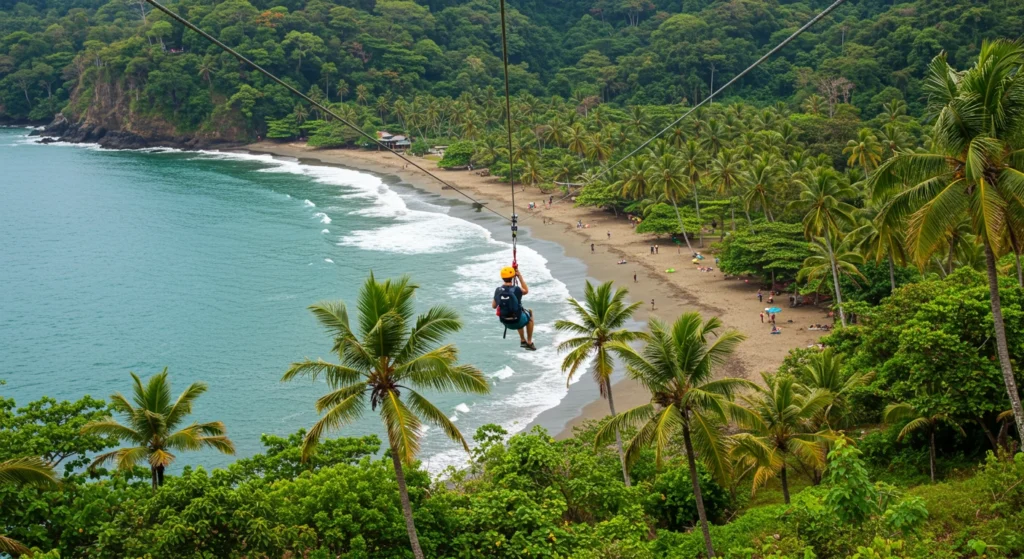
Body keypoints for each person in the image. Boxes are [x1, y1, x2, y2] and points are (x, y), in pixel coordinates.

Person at [493, 267, 536, 350]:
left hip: (505, 322)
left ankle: (523, 340)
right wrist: (519, 277)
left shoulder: (498, 290)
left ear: (502, 278)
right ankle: (529, 342)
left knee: (518, 312)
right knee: (529, 315)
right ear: (512, 277)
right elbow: (526, 291)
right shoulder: (517, 289)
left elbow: (494, 306)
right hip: (517, 320)